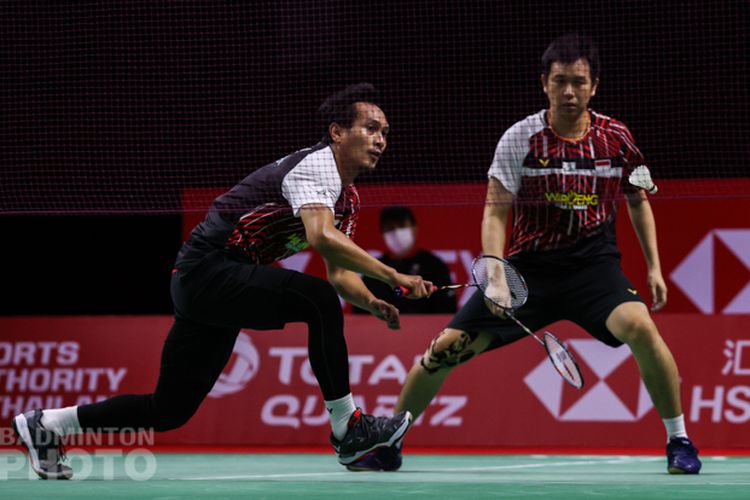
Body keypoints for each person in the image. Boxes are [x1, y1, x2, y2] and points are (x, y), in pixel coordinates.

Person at [12, 83, 434, 479]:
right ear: (337, 133)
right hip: (208, 267)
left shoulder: (349, 197)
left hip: (220, 281)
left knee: (169, 409)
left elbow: (340, 273)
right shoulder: (317, 164)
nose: (381, 139)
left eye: (385, 131)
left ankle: (47, 424)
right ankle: (349, 429)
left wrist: (373, 301)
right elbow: (321, 237)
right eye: (370, 128)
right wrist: (395, 274)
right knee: (315, 299)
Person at [354, 34, 702, 474]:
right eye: (561, 81)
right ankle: (391, 442)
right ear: (545, 83)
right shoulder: (521, 138)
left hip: (593, 268)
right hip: (529, 272)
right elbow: (495, 212)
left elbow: (638, 199)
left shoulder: (617, 138)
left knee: (640, 326)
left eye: (579, 82)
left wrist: (654, 266)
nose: (570, 92)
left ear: (595, 85)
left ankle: (680, 440)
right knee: (446, 347)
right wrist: (496, 274)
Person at [354, 205, 457, 314]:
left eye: (402, 226)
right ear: (382, 233)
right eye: (390, 228)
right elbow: (360, 310)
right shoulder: (374, 269)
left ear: (414, 228)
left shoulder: (434, 266)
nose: (396, 233)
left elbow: (447, 309)